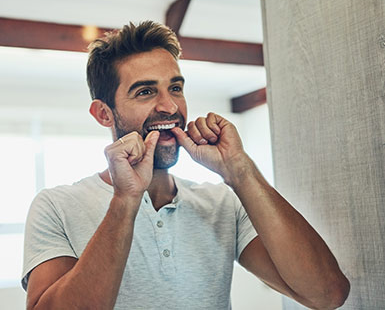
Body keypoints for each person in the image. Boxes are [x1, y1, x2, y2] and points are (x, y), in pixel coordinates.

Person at [22, 21, 350, 310]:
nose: (170, 107)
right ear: (104, 114)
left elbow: (326, 294)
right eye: (145, 91)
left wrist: (240, 170)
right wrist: (125, 201)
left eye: (175, 88)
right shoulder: (56, 206)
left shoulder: (222, 203)